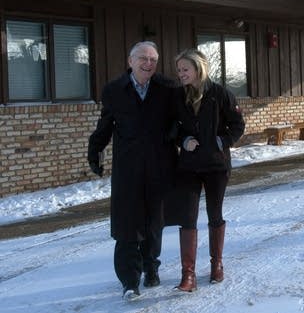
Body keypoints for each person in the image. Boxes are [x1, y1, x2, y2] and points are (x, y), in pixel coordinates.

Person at [87, 41, 177, 300]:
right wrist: (95, 151)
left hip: (159, 165)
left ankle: (151, 268)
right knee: (127, 224)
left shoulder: (167, 88)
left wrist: (175, 135)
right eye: (143, 58)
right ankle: (129, 280)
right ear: (130, 61)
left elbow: (179, 119)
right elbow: (105, 125)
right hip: (128, 169)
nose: (148, 63)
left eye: (153, 60)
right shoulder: (115, 90)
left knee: (154, 223)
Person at [166, 48, 245, 292]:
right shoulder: (178, 96)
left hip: (216, 167)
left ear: (198, 68)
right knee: (187, 217)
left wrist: (222, 142)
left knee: (214, 214)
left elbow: (237, 124)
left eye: (185, 69)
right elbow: (172, 127)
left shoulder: (220, 94)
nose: (180, 74)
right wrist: (183, 139)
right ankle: (187, 275)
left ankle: (216, 265)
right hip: (189, 167)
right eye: (178, 70)